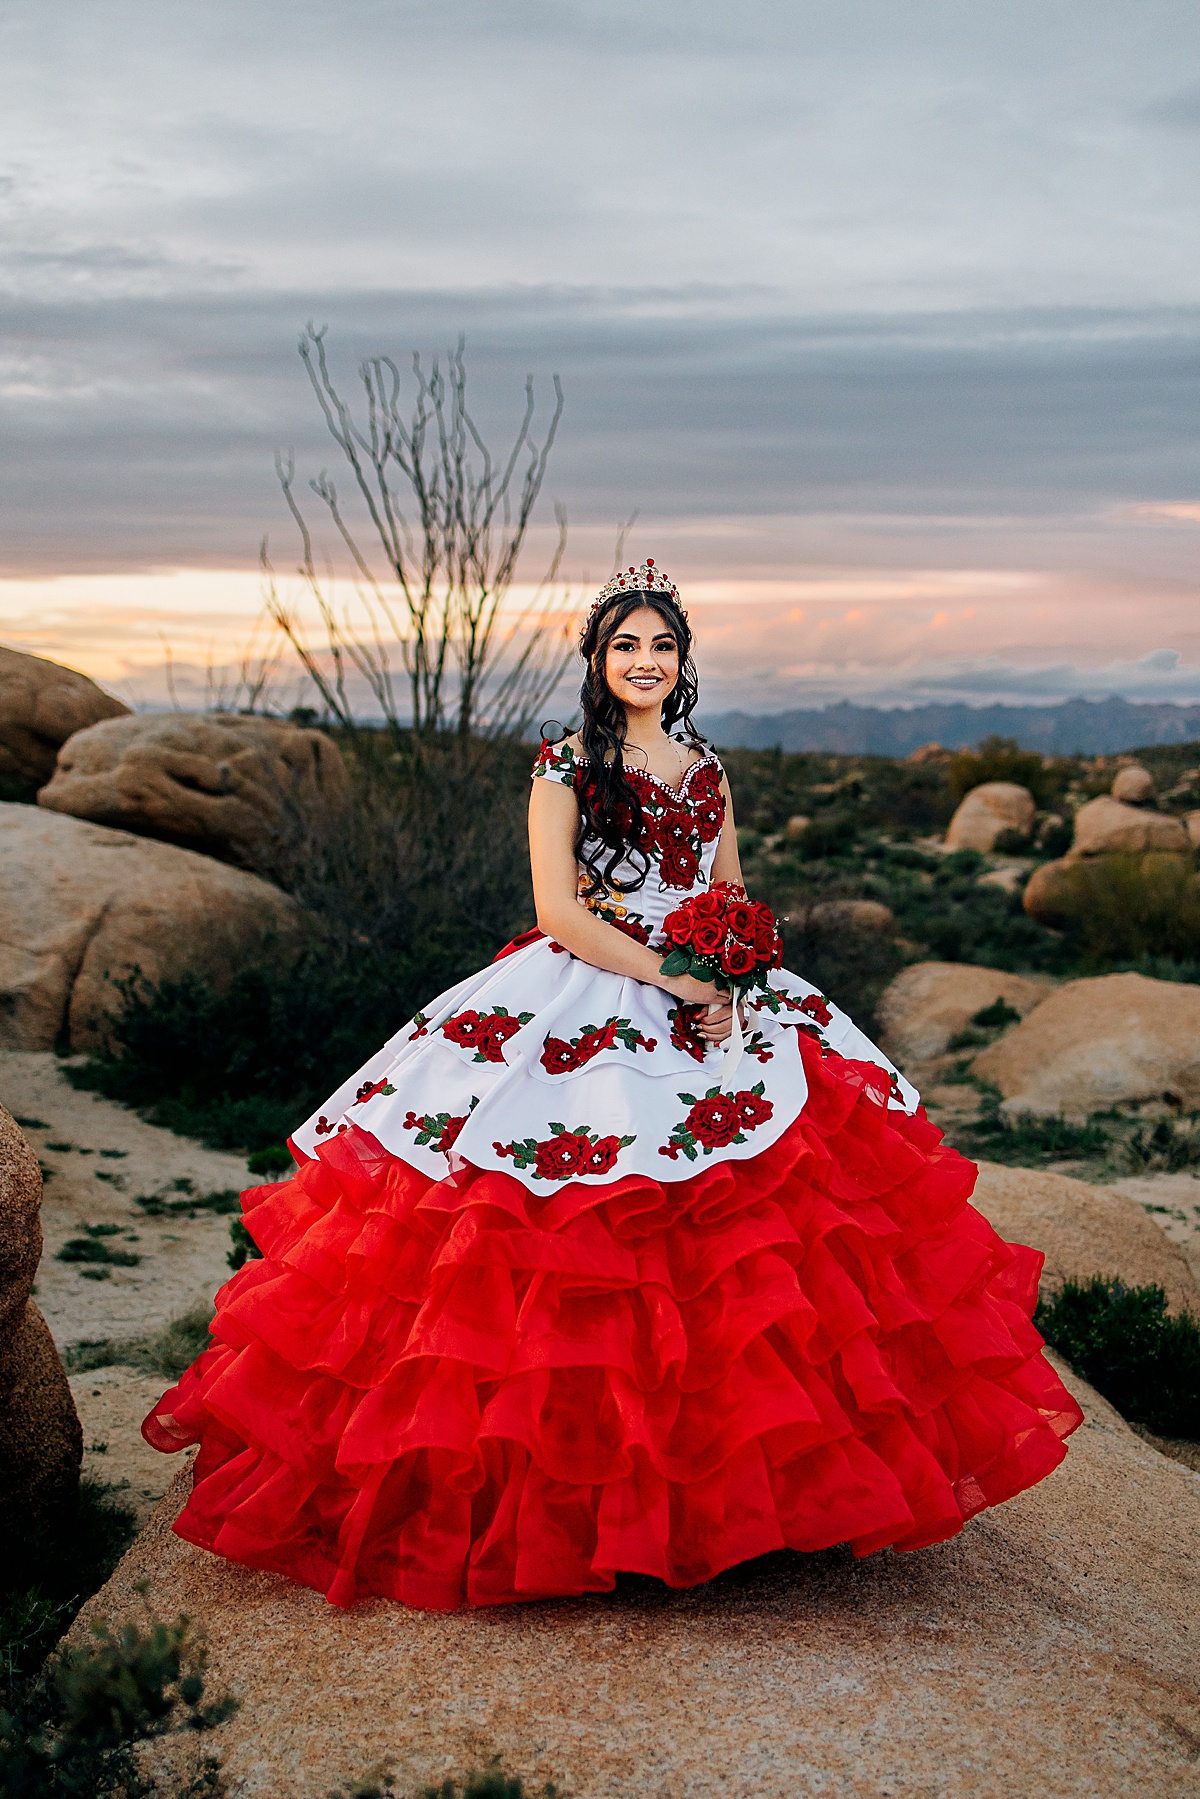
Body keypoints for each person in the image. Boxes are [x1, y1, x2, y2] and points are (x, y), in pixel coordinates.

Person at [143, 559, 1082, 1611]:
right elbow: (559, 912)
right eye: (626, 644)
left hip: (711, 993)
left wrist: (728, 977)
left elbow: (728, 892)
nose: (645, 660)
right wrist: (669, 978)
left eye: (662, 645)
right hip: (592, 980)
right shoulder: (562, 766)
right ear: (599, 659)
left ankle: (747, 1500)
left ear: (683, 662)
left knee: (771, 1235)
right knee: (548, 1217)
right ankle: (565, 1504)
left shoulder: (710, 769)